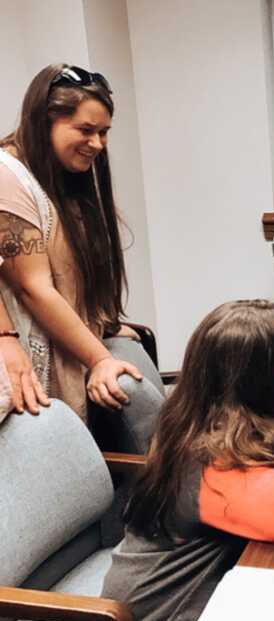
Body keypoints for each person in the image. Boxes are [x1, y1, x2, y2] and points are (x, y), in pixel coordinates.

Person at [101, 300, 274, 621]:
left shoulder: (253, 411)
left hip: (220, 585)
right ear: (264, 381)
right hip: (167, 620)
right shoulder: (207, 455)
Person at [0, 63, 163, 451]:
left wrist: (101, 325)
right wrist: (99, 359)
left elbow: (68, 270)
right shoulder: (8, 177)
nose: (98, 144)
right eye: (86, 130)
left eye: (104, 132)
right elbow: (34, 288)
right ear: (44, 121)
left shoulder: (58, 172)